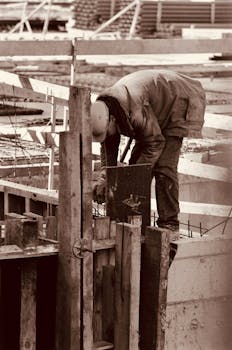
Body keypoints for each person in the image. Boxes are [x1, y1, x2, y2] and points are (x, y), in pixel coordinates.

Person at [91, 69, 206, 234]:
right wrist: (106, 178)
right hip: (154, 106)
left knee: (163, 168)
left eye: (107, 132)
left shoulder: (135, 112)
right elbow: (109, 146)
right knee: (135, 167)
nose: (107, 136)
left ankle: (169, 225)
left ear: (113, 120)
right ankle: (132, 217)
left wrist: (133, 176)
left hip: (179, 101)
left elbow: (155, 143)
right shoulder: (102, 110)